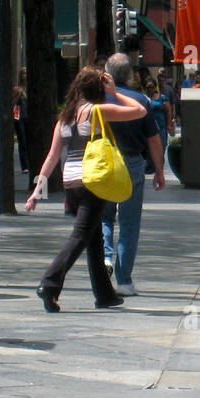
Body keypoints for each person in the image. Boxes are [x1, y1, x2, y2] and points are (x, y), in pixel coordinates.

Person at [27, 66, 146, 311]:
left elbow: (51, 157)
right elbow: (140, 110)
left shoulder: (65, 118)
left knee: (94, 238)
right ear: (97, 88)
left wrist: (38, 188)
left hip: (71, 182)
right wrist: (115, 92)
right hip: (92, 179)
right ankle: (49, 284)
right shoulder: (96, 112)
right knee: (81, 235)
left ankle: (104, 294)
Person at [99, 53, 164, 296]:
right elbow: (154, 140)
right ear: (129, 75)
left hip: (103, 162)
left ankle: (105, 256)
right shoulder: (140, 100)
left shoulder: (95, 99)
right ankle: (124, 281)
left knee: (104, 216)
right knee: (129, 222)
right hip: (132, 163)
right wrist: (158, 169)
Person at [14, 68, 30, 176]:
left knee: (29, 141)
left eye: (26, 73)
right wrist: (15, 118)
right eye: (23, 73)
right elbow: (14, 104)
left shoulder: (30, 89)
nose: (24, 75)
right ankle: (24, 166)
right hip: (19, 118)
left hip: (29, 117)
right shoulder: (17, 89)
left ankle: (30, 164)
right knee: (22, 141)